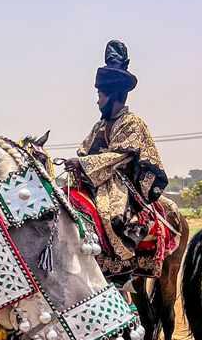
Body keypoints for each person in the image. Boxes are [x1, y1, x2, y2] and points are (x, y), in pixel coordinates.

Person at [65, 40, 166, 276]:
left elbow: (121, 156)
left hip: (121, 184)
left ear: (112, 96)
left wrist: (82, 163)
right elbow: (84, 150)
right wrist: (77, 162)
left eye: (100, 95)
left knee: (112, 216)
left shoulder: (132, 122)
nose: (97, 100)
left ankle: (122, 264)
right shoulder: (100, 124)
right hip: (95, 179)